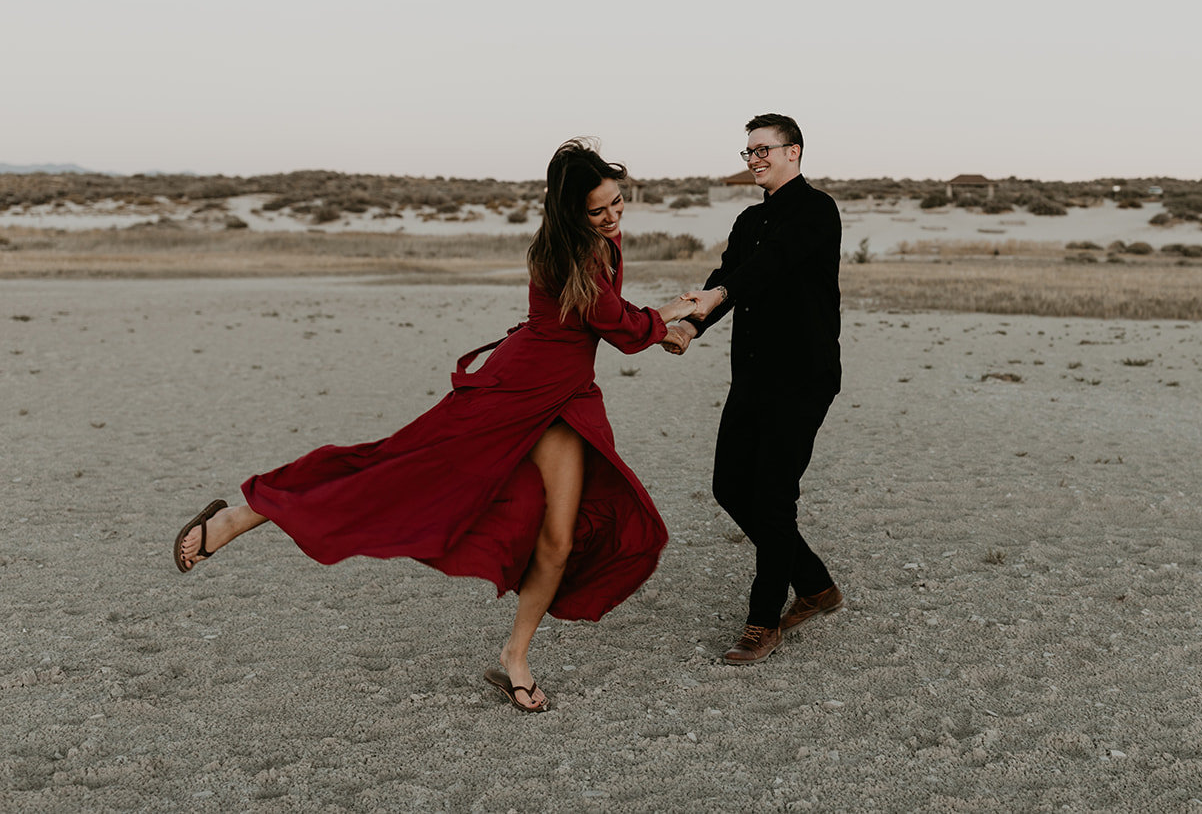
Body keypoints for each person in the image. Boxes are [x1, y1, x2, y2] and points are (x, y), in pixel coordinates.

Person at [173, 139, 696, 713]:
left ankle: (513, 658)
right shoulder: (563, 251)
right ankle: (242, 514)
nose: (613, 215)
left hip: (566, 399)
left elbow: (612, 323)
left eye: (618, 203)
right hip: (513, 393)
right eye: (598, 211)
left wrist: (659, 324)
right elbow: (618, 325)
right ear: (569, 212)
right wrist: (682, 308)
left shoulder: (602, 242)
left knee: (560, 537)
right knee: (401, 471)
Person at [665, 113, 845, 663]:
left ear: (794, 152)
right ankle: (816, 586)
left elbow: (770, 267)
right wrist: (690, 327)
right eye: (749, 152)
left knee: (772, 496)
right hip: (753, 374)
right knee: (728, 487)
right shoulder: (747, 220)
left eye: (764, 149)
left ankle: (764, 620)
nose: (755, 159)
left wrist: (715, 294)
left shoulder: (818, 211)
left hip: (803, 377)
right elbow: (732, 282)